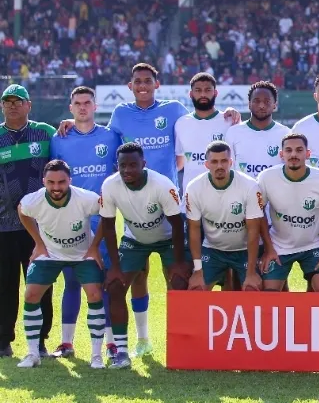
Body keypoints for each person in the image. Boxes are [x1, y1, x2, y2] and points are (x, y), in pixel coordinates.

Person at [56, 63, 239, 356]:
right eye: (137, 81)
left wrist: (230, 117)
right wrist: (71, 120)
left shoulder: (174, 111)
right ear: (130, 86)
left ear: (157, 84)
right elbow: (100, 137)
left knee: (193, 273)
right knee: (138, 276)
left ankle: (199, 342)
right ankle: (142, 339)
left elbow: (198, 127)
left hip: (171, 207)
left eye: (147, 81)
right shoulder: (121, 115)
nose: (142, 85)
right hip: (133, 211)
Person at [47, 86, 122, 360]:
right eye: (77, 103)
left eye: (86, 103)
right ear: (71, 108)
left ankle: (112, 343)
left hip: (103, 219)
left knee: (103, 281)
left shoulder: (111, 136)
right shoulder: (59, 139)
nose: (82, 107)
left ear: (94, 105)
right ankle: (66, 343)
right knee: (72, 281)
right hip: (70, 220)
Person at [98, 142, 187, 369]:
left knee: (179, 284)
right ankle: (122, 352)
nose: (127, 170)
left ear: (143, 164)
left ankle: (182, 350)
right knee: (116, 286)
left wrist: (177, 263)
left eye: (133, 165)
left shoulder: (162, 185)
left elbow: (178, 225)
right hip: (135, 240)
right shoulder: (110, 185)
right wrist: (115, 267)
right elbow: (108, 227)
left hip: (167, 239)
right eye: (122, 166)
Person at [15, 161, 105, 368]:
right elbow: (22, 211)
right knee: (30, 295)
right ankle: (32, 354)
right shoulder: (33, 201)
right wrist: (38, 243)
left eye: (62, 182)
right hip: (50, 253)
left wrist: (94, 247)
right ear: (44, 182)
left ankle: (96, 355)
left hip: (83, 253)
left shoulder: (86, 198)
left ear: (70, 181)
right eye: (51, 182)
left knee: (95, 294)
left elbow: (107, 215)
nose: (56, 187)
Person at [0, 84, 56, 359]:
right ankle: (3, 341)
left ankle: (41, 340)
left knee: (41, 283)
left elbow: (61, 161)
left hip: (40, 225)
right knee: (4, 284)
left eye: (17, 101)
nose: (12, 105)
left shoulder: (46, 132)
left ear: (28, 105)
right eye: (7, 101)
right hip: (4, 226)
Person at [256, 133, 319, 292]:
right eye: (288, 150)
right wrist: (268, 248)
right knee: (269, 294)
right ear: (281, 154)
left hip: (314, 245)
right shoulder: (266, 177)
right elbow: (258, 211)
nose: (293, 154)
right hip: (279, 246)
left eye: (299, 150)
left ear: (307, 154)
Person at [184, 141, 263, 291]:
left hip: (244, 250)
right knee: (196, 289)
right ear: (206, 164)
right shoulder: (194, 187)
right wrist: (198, 270)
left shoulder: (249, 186)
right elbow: (193, 229)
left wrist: (251, 272)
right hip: (213, 250)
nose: (219, 166)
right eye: (214, 161)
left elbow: (254, 231)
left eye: (224, 161)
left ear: (231, 162)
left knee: (253, 289)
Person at [175, 73, 236, 194]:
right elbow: (179, 163)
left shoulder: (230, 121)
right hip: (191, 199)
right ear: (191, 94)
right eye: (198, 90)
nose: (203, 94)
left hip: (224, 196)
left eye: (208, 90)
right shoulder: (181, 123)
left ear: (215, 93)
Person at [224, 81, 292, 178]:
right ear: (249, 104)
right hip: (243, 193)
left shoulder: (286, 134)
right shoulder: (234, 132)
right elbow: (229, 170)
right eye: (256, 101)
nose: (261, 105)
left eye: (267, 101)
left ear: (275, 105)